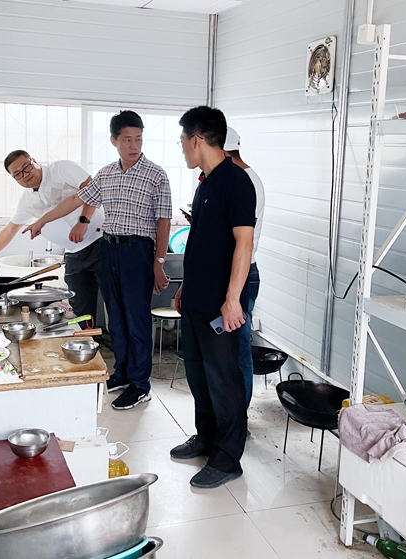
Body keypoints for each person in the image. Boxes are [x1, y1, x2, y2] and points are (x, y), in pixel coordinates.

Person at [22, 111, 172, 410]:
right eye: (127, 139)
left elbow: (164, 221)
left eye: (138, 139)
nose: (134, 145)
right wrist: (41, 221)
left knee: (136, 319)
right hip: (109, 248)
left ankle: (140, 384)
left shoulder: (156, 175)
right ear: (114, 140)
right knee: (116, 316)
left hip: (138, 251)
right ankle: (123, 373)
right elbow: (75, 200)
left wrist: (159, 262)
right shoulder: (106, 174)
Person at [170, 106, 256, 489]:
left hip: (221, 304)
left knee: (224, 379)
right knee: (199, 375)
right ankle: (206, 438)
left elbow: (244, 244)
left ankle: (227, 458)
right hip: (196, 299)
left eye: (182, 141)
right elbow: (202, 244)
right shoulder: (205, 182)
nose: (182, 149)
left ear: (196, 139)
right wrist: (185, 287)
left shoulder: (236, 182)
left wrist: (233, 299)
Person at [0, 151, 104, 321]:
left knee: (114, 300)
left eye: (26, 167)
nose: (25, 175)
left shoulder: (60, 169)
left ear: (34, 161)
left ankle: (118, 338)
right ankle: (85, 336)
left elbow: (93, 189)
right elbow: (10, 229)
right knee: (80, 308)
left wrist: (83, 222)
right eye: (18, 174)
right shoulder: (27, 200)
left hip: (100, 241)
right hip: (74, 252)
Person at [223, 127, 265, 408]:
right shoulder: (234, 179)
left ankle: (239, 417)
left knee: (238, 349)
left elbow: (243, 240)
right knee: (225, 351)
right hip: (230, 274)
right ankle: (227, 417)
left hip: (240, 275)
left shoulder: (245, 181)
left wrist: (232, 297)